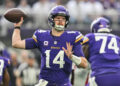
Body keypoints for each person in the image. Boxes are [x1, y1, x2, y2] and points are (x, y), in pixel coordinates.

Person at [12, 5, 88, 86]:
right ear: (51, 19)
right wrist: (17, 27)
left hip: (63, 83)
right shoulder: (42, 36)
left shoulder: (72, 37)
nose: (61, 21)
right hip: (45, 83)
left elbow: (84, 64)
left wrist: (72, 57)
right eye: (58, 18)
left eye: (63, 19)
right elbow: (16, 43)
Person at [82, 17, 120, 86]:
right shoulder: (117, 38)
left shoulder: (90, 36)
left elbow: (82, 54)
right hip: (118, 75)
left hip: (99, 76)